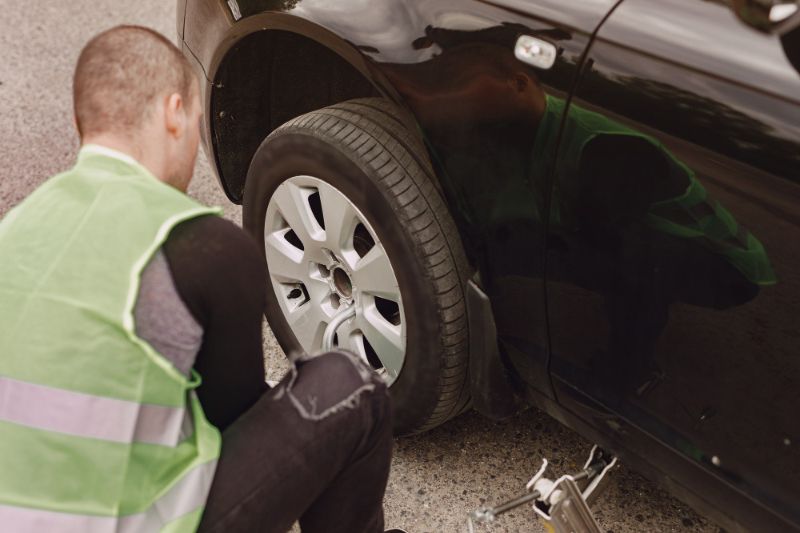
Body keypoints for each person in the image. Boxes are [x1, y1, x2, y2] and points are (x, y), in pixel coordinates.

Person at [0, 25, 403, 533]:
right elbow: (234, 420)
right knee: (350, 386)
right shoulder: (202, 245)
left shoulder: (14, 230)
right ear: (174, 113)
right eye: (194, 122)